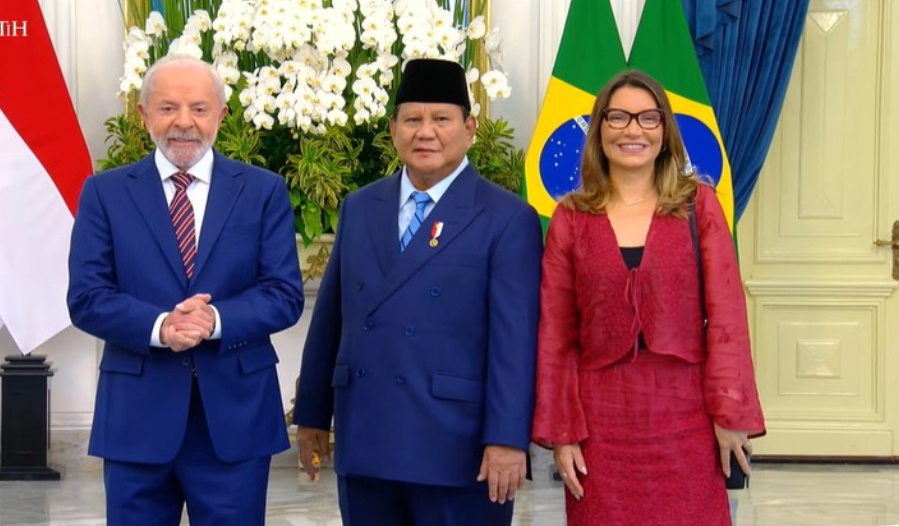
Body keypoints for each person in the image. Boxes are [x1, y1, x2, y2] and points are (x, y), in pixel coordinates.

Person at [292, 58, 542, 526]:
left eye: (441, 119)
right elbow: (330, 321)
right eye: (412, 119)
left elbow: (516, 342)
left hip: (457, 447)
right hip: (367, 437)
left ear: (469, 128)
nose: (425, 132)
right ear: (393, 129)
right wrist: (311, 415)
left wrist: (508, 438)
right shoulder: (361, 206)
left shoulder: (507, 218)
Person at [67, 55, 304, 525]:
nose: (183, 122)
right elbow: (87, 297)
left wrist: (213, 320)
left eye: (198, 108)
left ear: (221, 115)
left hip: (235, 418)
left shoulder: (262, 191)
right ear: (143, 115)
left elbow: (283, 293)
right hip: (137, 418)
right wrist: (161, 327)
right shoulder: (104, 193)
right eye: (167, 108)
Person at [531, 70, 765, 524]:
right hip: (599, 428)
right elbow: (556, 335)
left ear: (665, 130)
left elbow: (727, 319)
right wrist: (563, 432)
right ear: (599, 129)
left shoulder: (699, 206)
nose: (632, 130)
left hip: (688, 420)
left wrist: (729, 414)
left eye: (647, 118)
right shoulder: (570, 218)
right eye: (618, 117)